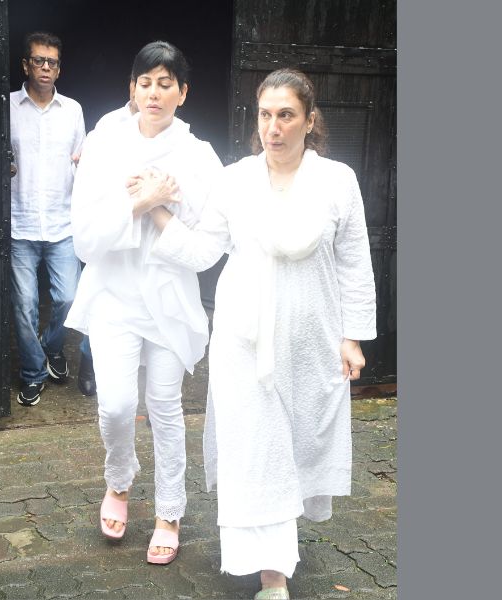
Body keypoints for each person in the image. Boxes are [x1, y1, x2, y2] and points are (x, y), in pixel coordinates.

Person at [143, 68, 377, 599]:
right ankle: (272, 574)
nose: (273, 127)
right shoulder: (236, 180)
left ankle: (277, 553)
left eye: (286, 115)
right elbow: (205, 250)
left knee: (294, 445)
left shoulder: (337, 181)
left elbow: (354, 261)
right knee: (254, 447)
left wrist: (353, 337)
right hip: (242, 339)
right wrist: (156, 212)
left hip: (311, 337)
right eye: (266, 114)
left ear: (309, 120)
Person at [64, 41, 223, 564]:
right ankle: (120, 478)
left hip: (170, 299)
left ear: (183, 92)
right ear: (132, 89)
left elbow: (207, 243)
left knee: (164, 406)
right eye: (145, 83)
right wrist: (139, 200)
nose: (154, 93)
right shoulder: (104, 143)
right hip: (115, 295)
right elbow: (86, 238)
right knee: (115, 405)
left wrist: (162, 207)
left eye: (165, 84)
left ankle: (169, 511)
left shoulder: (199, 157)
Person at [9, 31, 96, 406]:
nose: (45, 67)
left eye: (52, 62)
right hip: (20, 223)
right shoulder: (7, 107)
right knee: (25, 305)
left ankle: (50, 346)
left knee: (69, 299)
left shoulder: (73, 111)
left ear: (59, 69)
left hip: (62, 224)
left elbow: (83, 164)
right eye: (38, 60)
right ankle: (33, 371)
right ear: (25, 65)